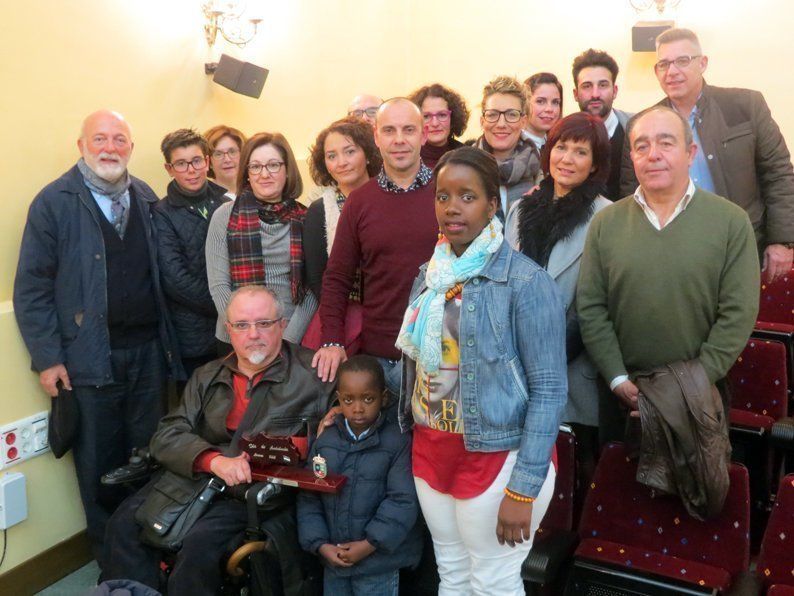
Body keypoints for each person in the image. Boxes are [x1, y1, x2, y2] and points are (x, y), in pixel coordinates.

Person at [396, 146, 567, 595]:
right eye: (443, 195)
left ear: (494, 204)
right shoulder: (429, 275)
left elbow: (549, 390)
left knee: (493, 582)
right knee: (451, 574)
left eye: (467, 196)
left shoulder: (527, 283)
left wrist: (523, 489)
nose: (451, 207)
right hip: (432, 448)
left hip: (497, 455)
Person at [13, 109, 181, 566]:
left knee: (148, 458)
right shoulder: (54, 202)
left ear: (131, 145)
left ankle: (149, 555)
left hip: (148, 356)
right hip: (89, 361)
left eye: (120, 139)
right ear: (81, 145)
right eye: (100, 138)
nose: (111, 148)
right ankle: (112, 564)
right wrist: (48, 359)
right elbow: (31, 289)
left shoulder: (145, 195)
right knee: (98, 468)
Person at [103, 285, 335, 595]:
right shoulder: (207, 375)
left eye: (264, 323)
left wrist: (322, 434)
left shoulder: (315, 375)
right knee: (123, 525)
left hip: (254, 491)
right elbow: (167, 434)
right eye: (242, 325)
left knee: (198, 549)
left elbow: (352, 427)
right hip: (194, 478)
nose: (253, 334)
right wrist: (212, 461)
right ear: (229, 330)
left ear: (282, 324)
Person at [578, 106, 760, 443]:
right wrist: (617, 378)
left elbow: (738, 312)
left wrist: (690, 384)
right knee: (618, 491)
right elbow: (591, 306)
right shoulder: (606, 223)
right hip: (621, 393)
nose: (654, 155)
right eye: (642, 146)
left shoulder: (731, 222)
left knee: (693, 495)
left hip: (699, 397)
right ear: (631, 155)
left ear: (690, 153)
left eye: (666, 143)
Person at [620, 28, 794, 281]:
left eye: (683, 61)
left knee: (736, 316)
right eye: (664, 64)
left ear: (702, 63)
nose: (672, 72)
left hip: (740, 244)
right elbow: (632, 189)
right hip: (672, 248)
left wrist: (782, 239)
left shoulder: (745, 106)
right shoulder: (643, 124)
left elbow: (778, 173)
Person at [505, 112, 612, 486]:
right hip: (514, 360)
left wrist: (545, 356)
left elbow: (597, 304)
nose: (566, 159)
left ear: (595, 163)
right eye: (561, 147)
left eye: (580, 152)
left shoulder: (608, 217)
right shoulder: (521, 209)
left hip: (571, 363)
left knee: (572, 472)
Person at [313, 98, 437, 393]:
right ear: (377, 138)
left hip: (443, 356)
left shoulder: (448, 191)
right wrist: (331, 340)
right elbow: (337, 277)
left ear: (423, 135)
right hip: (383, 358)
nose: (399, 140)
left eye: (408, 130)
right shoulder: (360, 201)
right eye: (389, 130)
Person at [298, 355, 422, 596]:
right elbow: (309, 495)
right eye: (348, 399)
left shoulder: (397, 441)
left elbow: (402, 501)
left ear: (384, 398)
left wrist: (369, 545)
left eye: (368, 398)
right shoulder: (326, 441)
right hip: (334, 560)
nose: (357, 408)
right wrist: (320, 545)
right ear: (338, 399)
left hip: (378, 564)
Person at [206, 132, 317, 353]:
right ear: (247, 173)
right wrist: (243, 333)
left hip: (290, 336)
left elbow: (311, 290)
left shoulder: (306, 218)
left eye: (273, 165)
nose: (264, 174)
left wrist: (286, 340)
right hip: (234, 339)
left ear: (287, 171)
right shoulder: (224, 216)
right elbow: (219, 286)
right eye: (255, 166)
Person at [153, 129, 230, 385]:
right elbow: (175, 279)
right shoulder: (162, 213)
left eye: (197, 161)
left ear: (207, 161)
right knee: (200, 408)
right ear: (169, 168)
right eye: (181, 164)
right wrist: (225, 305)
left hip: (236, 328)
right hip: (193, 336)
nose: (191, 170)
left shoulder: (227, 202)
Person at [303, 117, 382, 303]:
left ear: (369, 154)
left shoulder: (388, 198)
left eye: (350, 152)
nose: (341, 162)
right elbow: (316, 278)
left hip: (390, 309)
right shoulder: (319, 210)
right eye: (332, 156)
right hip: (342, 312)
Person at [475, 75, 541, 218]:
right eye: (492, 115)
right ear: (482, 121)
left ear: (523, 122)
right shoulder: (464, 167)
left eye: (511, 115)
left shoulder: (541, 170)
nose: (501, 124)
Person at [572, 49, 633, 200]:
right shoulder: (564, 136)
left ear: (615, 91)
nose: (595, 94)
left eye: (603, 85)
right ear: (575, 94)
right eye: (587, 86)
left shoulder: (635, 130)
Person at [408, 83, 470, 168]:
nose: (435, 123)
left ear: (453, 118)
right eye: (426, 116)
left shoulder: (467, 157)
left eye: (442, 115)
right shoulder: (407, 157)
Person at [523, 72, 563, 152]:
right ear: (525, 103)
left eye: (555, 102)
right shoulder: (512, 147)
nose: (549, 109)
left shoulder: (559, 144)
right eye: (540, 101)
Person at [204, 124, 246, 198]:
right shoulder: (203, 198)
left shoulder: (258, 191)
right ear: (209, 162)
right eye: (218, 154)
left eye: (232, 152)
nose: (227, 159)